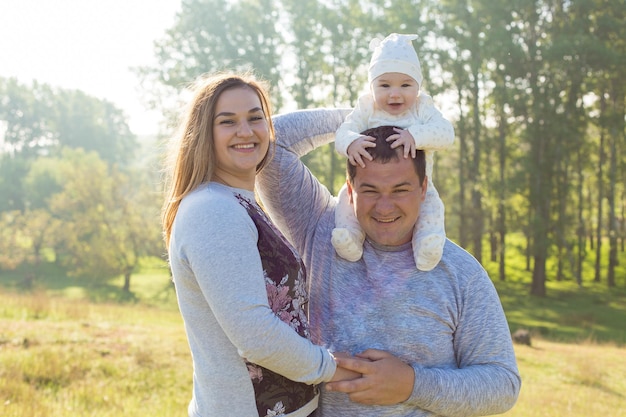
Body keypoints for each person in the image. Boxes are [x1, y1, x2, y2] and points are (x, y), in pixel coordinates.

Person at [257, 113, 521, 416]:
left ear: (423, 188)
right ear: (351, 189)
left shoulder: (461, 273)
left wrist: (412, 384)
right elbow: (273, 140)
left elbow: (503, 385)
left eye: (400, 190)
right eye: (370, 190)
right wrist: (371, 114)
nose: (385, 207)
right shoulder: (320, 230)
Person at [161, 72, 357, 417]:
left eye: (255, 118)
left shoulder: (236, 200)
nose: (246, 131)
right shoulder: (212, 209)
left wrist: (372, 115)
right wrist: (334, 368)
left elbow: (278, 133)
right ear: (203, 134)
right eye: (228, 122)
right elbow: (255, 335)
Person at [332, 33, 455, 271]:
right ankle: (350, 236)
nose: (395, 94)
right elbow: (343, 131)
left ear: (417, 87)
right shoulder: (367, 106)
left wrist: (415, 136)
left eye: (405, 85)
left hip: (417, 184)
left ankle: (427, 244)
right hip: (366, 178)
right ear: (372, 86)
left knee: (432, 207)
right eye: (384, 85)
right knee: (347, 200)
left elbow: (446, 133)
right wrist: (350, 143)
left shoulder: (422, 108)